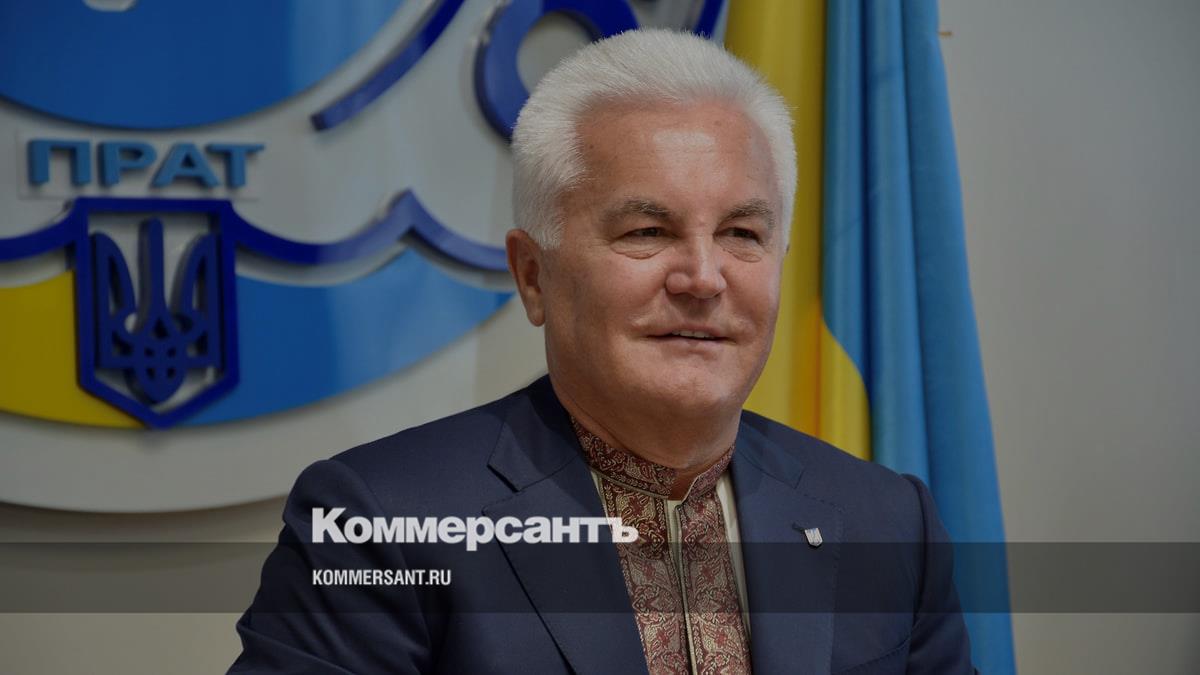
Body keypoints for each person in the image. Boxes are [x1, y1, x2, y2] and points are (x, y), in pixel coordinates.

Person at [230, 29, 975, 674]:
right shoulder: (378, 522)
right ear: (534, 275)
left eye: (742, 234)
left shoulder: (888, 521)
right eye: (647, 232)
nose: (703, 278)